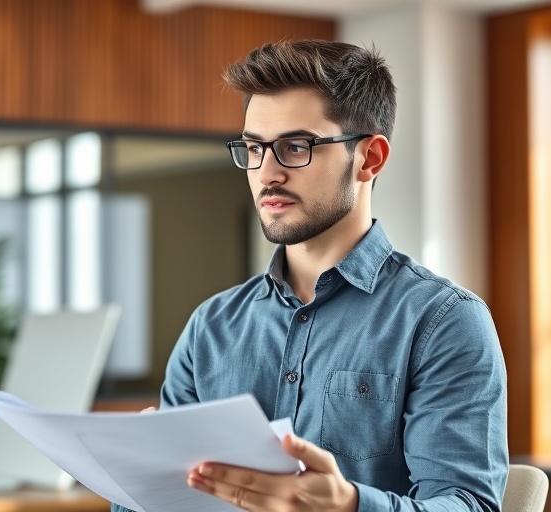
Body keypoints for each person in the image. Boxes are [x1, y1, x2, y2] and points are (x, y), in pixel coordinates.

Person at [112, 39, 508, 512]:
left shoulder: (443, 322)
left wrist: (350, 505)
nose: (267, 173)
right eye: (254, 148)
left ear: (370, 158)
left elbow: (469, 505)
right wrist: (146, 479)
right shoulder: (210, 328)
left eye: (295, 147)